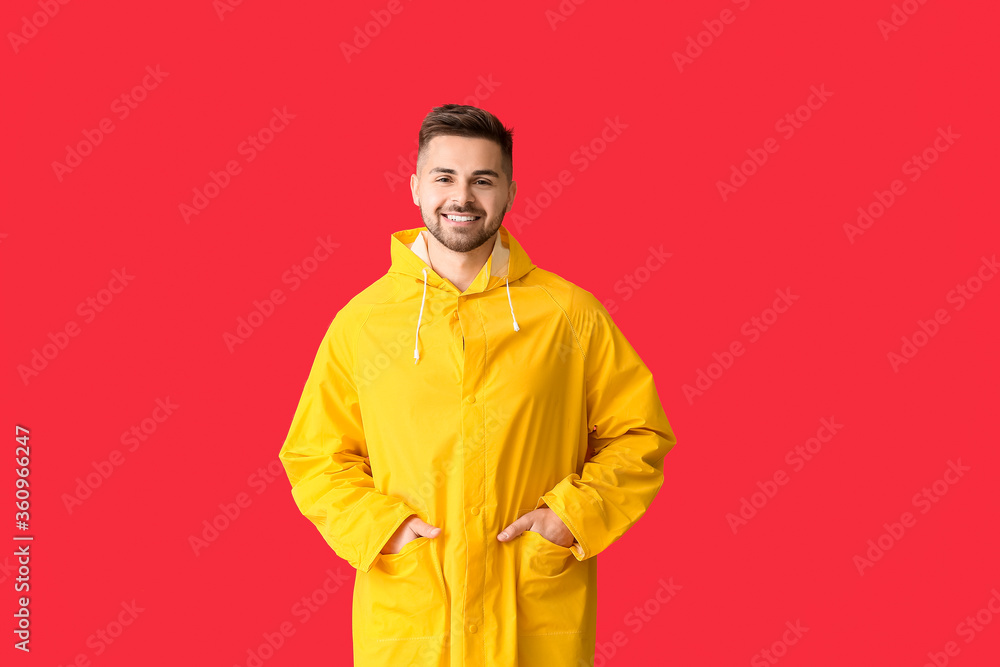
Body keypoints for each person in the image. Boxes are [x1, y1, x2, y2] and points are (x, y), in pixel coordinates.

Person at [278, 104, 676, 667]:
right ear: (416, 187)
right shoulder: (363, 323)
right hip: (415, 620)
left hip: (532, 618)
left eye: (482, 180)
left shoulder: (569, 315)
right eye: (445, 177)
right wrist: (383, 530)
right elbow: (316, 457)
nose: (461, 197)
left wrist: (572, 517)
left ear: (509, 192)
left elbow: (640, 434)